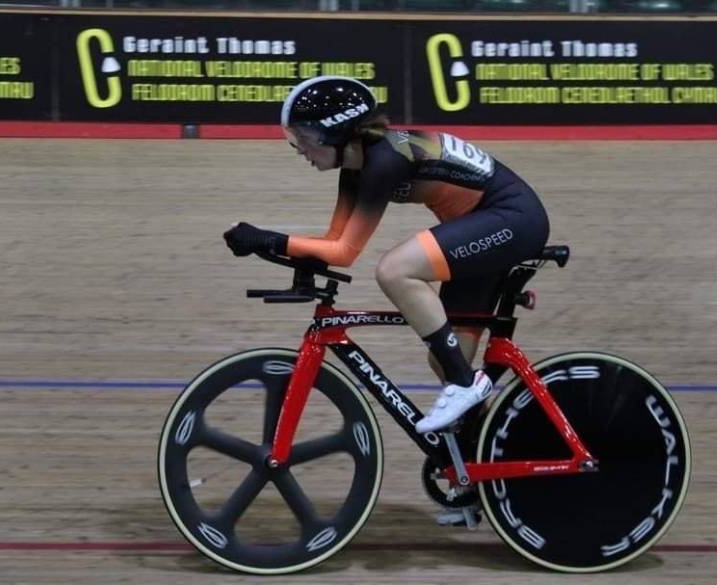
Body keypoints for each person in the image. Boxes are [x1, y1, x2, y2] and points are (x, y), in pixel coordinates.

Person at [223, 75, 549, 434]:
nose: (299, 148)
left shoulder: (384, 160)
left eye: (304, 137)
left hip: (512, 220)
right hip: (482, 228)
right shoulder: (355, 168)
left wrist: (266, 239)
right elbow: (334, 240)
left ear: (335, 132)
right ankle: (485, 448)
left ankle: (466, 385)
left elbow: (344, 253)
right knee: (445, 360)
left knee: (396, 270)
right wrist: (277, 248)